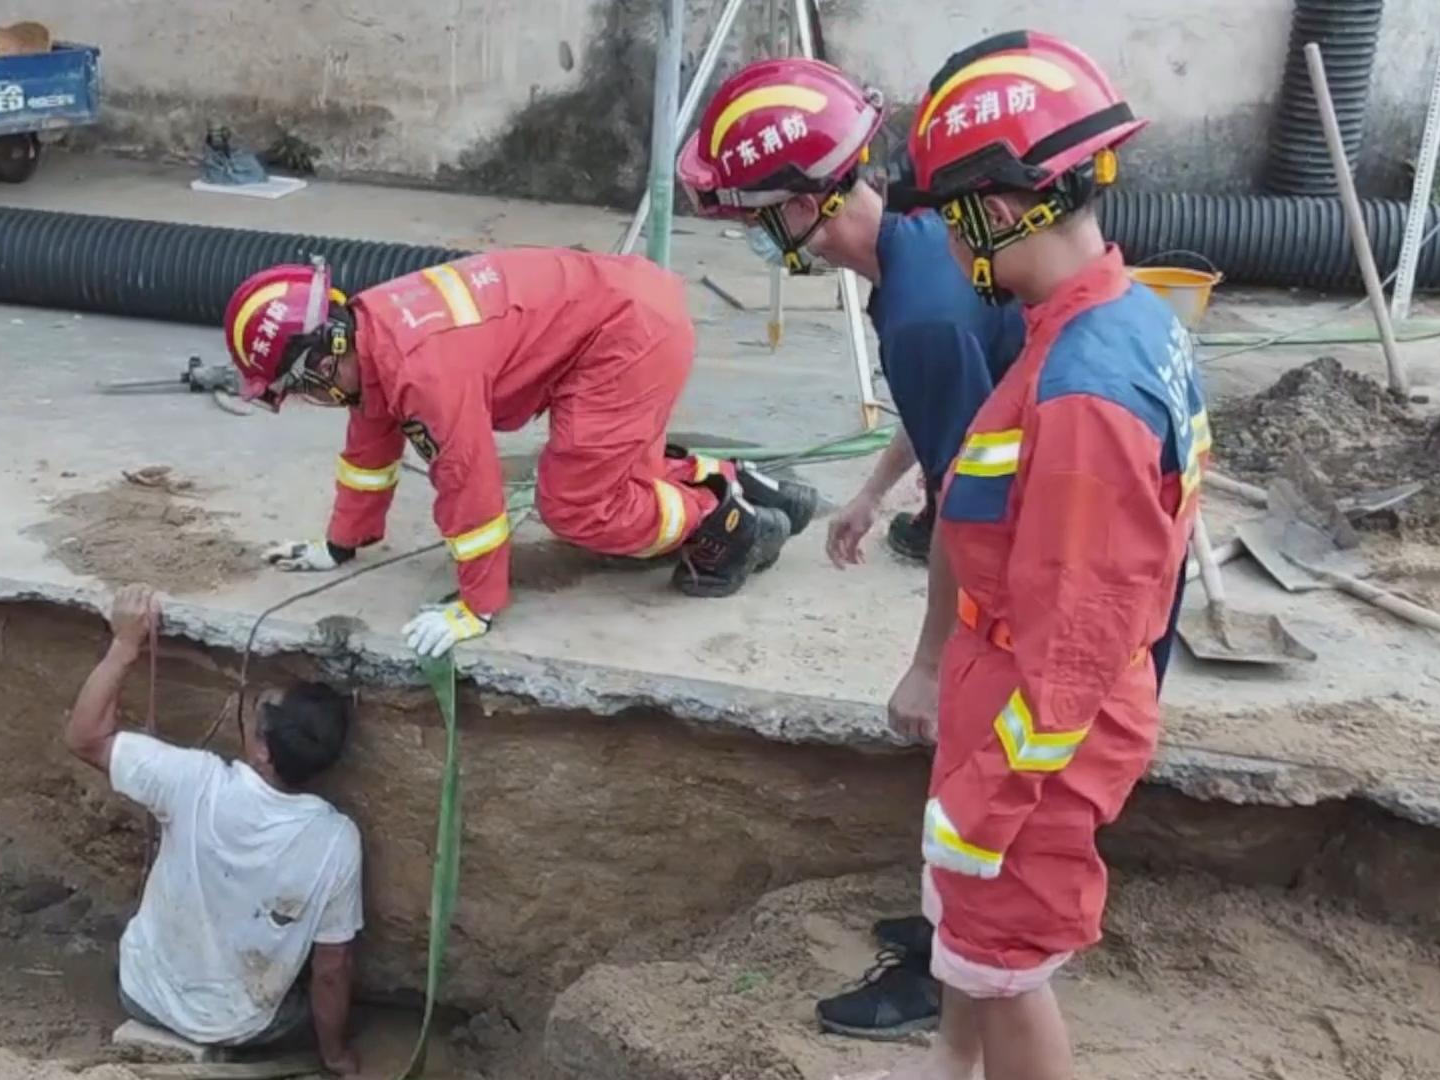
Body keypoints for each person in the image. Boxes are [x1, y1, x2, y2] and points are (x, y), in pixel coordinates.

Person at [849, 31, 1209, 1080]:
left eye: (948, 215)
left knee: (1007, 963)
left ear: (1000, 210)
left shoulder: (1087, 393)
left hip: (1035, 743)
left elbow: (1075, 658)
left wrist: (986, 804)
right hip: (1001, 692)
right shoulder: (1105, 319)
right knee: (971, 939)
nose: (940, 241)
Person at [676, 56, 1026, 1040]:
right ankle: (945, 931)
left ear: (804, 201)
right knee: (974, 748)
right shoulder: (915, 251)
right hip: (1023, 502)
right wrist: (873, 492)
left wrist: (927, 663)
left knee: (973, 748)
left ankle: (946, 976)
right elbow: (950, 409)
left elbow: (962, 499)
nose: (752, 232)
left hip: (1032, 538)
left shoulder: (921, 307)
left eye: (755, 214)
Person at [232, 249, 822, 658]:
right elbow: (368, 445)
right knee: (612, 472)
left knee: (576, 505)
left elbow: (469, 486)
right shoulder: (373, 331)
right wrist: (339, 545)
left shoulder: (421, 370)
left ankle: (725, 526)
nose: (307, 400)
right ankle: (741, 484)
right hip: (621, 309)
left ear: (322, 359)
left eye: (298, 388)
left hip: (627, 334)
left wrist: (476, 606)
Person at [64, 584, 364, 1076]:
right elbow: (333, 971)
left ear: (263, 751)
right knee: (302, 1003)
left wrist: (124, 644)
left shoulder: (194, 781)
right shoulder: (337, 842)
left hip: (143, 996)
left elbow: (85, 736)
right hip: (241, 1028)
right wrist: (336, 1057)